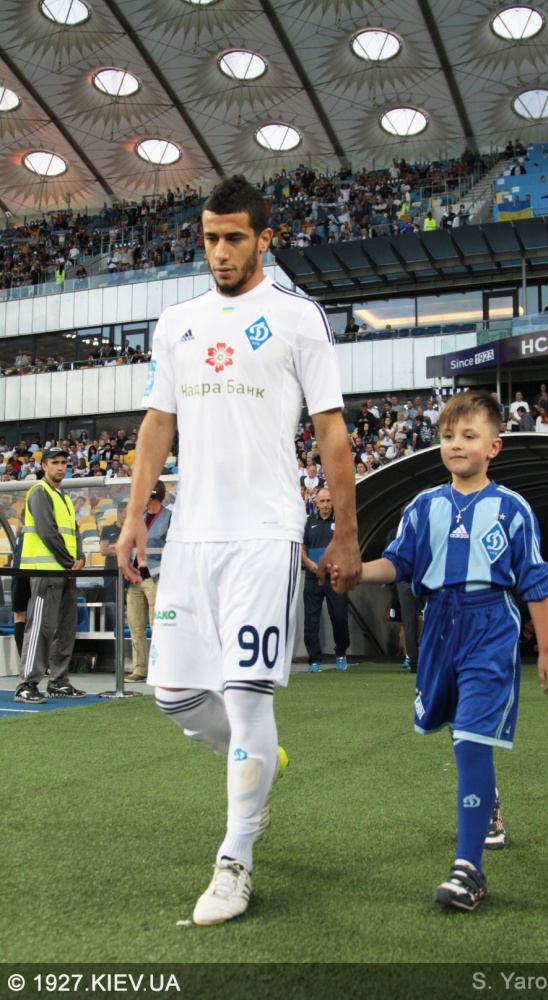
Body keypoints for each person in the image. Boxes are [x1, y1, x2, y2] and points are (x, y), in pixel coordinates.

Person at [116, 174, 360, 926]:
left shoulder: (297, 317)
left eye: (232, 238)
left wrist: (346, 531)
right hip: (191, 535)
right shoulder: (176, 322)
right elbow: (158, 424)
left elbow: (330, 429)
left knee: (248, 693)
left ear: (263, 239)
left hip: (264, 531)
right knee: (176, 696)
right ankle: (258, 758)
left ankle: (236, 859)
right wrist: (135, 515)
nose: (219, 252)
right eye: (209, 239)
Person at [331, 391, 548, 912]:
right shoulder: (424, 506)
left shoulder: (512, 508)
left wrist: (547, 651)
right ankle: (489, 805)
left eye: (469, 435)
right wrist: (357, 573)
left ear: (494, 446)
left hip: (490, 625)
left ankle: (468, 869)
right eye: (448, 435)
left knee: (472, 740)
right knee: (459, 728)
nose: (456, 444)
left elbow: (536, 582)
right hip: (437, 623)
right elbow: (399, 563)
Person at [13, 447, 87, 703]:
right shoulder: (40, 491)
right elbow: (47, 531)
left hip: (65, 573)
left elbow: (73, 532)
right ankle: (26, 684)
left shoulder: (63, 497)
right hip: (46, 572)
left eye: (64, 462)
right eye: (55, 462)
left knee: (65, 629)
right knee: (41, 628)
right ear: (44, 466)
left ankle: (58, 681)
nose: (60, 466)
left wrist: (80, 557)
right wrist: (70, 561)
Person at [124, 481, 172, 683]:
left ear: (152, 496)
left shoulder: (170, 517)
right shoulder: (138, 517)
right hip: (135, 578)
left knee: (158, 625)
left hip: (156, 577)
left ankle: (163, 668)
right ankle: (140, 669)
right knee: (135, 627)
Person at [301, 488, 350, 673]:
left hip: (335, 577)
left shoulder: (341, 522)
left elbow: (348, 547)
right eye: (322, 501)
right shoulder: (308, 523)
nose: (325, 505)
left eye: (329, 501)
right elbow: (301, 547)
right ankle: (314, 659)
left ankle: (341, 652)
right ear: (316, 503)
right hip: (313, 577)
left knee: (340, 617)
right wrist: (308, 563)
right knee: (311, 620)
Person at [99, 497, 128, 605]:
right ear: (119, 513)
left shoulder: (131, 530)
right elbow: (103, 550)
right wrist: (123, 549)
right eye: (126, 514)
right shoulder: (107, 529)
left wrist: (114, 547)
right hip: (111, 570)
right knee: (111, 602)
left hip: (128, 570)